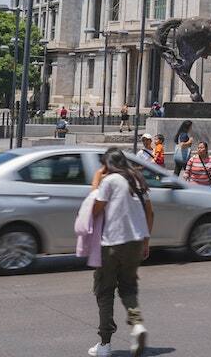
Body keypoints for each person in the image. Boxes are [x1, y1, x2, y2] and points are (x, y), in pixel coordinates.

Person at [89, 147, 153, 357]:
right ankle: (137, 326)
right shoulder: (138, 179)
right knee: (128, 288)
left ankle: (105, 344)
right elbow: (150, 212)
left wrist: (96, 179)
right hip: (135, 242)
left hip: (112, 244)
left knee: (105, 291)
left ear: (108, 165)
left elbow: (95, 209)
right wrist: (145, 242)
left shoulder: (109, 181)